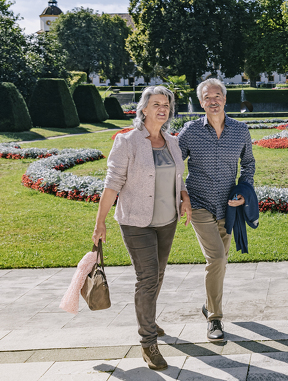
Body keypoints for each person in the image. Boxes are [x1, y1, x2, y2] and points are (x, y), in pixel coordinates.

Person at [92, 86, 192, 371]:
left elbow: (178, 177)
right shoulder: (128, 141)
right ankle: (148, 343)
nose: (163, 109)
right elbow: (112, 184)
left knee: (158, 275)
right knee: (147, 278)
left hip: (167, 220)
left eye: (167, 105)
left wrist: (184, 199)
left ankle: (149, 319)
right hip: (136, 222)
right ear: (144, 109)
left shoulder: (172, 142)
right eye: (156, 104)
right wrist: (100, 223)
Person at [178, 78, 255, 342]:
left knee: (220, 261)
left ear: (225, 99)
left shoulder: (240, 130)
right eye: (207, 97)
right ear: (201, 102)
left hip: (228, 206)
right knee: (217, 259)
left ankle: (209, 305)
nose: (213, 101)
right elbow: (175, 166)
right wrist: (182, 196)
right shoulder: (189, 131)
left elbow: (248, 165)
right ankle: (215, 320)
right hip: (198, 203)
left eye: (217, 95)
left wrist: (243, 193)